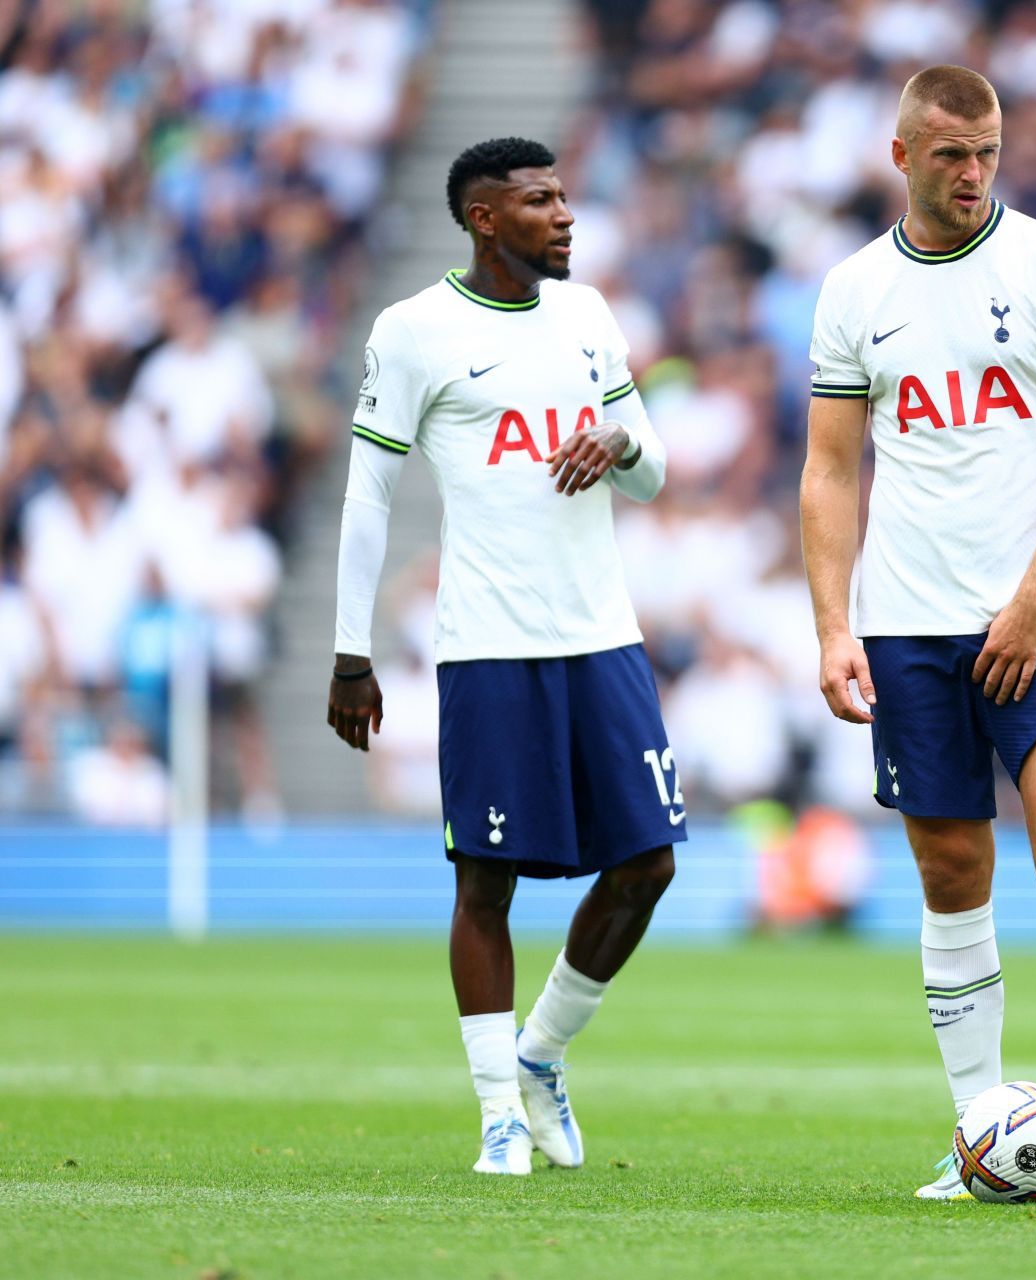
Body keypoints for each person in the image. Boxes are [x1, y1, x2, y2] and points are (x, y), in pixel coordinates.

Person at [798, 65, 1036, 1202]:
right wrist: (832, 626)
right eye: (951, 155)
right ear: (901, 155)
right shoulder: (855, 289)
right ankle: (977, 1130)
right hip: (906, 623)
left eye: (989, 152)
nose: (973, 174)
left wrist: (1032, 597)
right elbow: (829, 468)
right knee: (953, 871)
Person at [327, 137, 680, 1176]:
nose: (565, 214)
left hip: (602, 635)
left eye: (566, 195)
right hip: (488, 647)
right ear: (485, 218)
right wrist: (351, 654)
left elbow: (653, 469)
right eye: (539, 200)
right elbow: (368, 496)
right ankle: (494, 1113)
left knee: (648, 863)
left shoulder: (589, 316)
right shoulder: (414, 332)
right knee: (485, 883)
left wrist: (619, 444)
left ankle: (541, 1053)